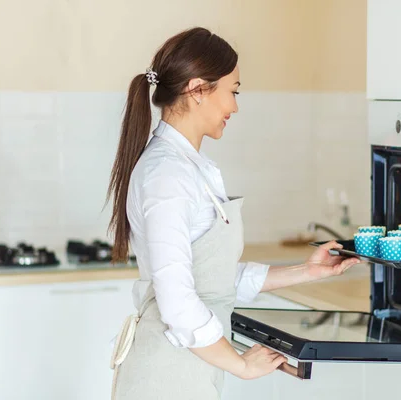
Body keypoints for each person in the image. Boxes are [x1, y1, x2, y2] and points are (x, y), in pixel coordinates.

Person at [106, 27, 360, 400]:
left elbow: (213, 278)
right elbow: (177, 301)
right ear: (197, 90)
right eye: (234, 91)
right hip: (166, 377)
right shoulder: (167, 175)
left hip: (188, 369)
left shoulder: (188, 167)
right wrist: (241, 364)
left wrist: (307, 271)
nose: (235, 106)